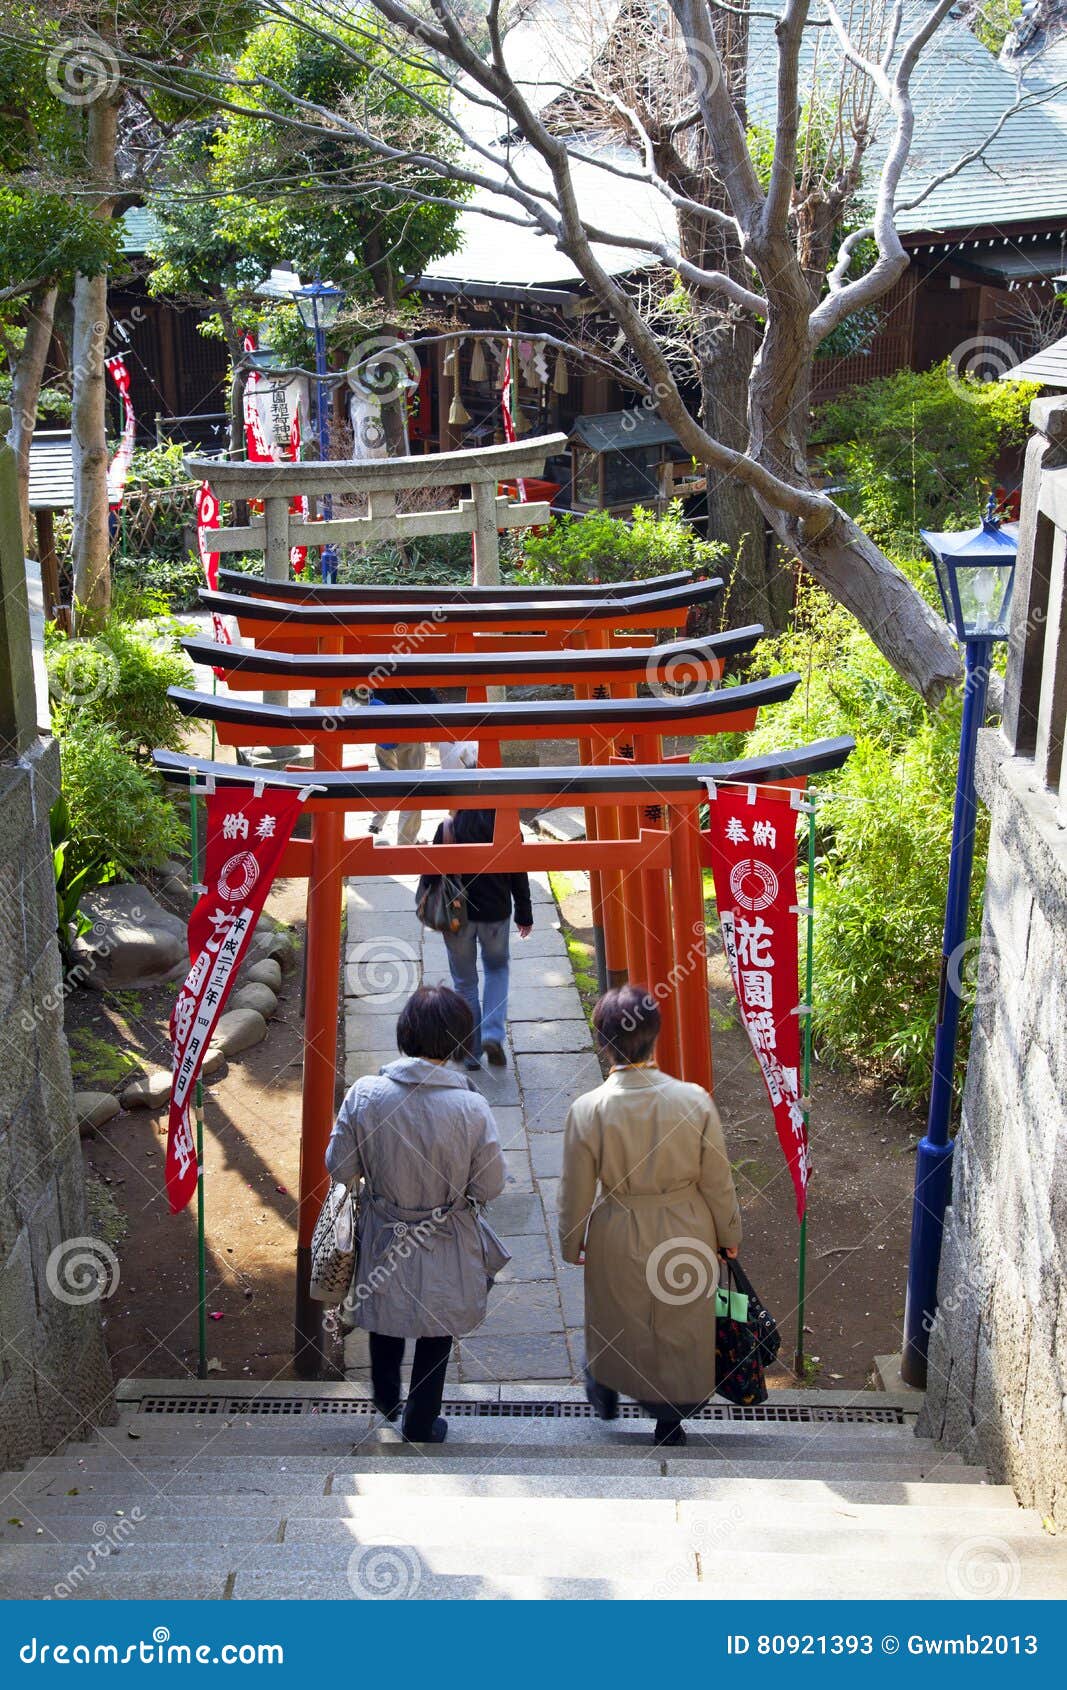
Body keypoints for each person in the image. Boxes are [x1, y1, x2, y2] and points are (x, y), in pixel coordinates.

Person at [558, 984, 742, 1447]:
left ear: (603, 1042)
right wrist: (728, 1232)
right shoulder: (694, 1101)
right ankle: (670, 1418)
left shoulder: (588, 1110)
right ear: (655, 1035)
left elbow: (576, 1188)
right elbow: (717, 1178)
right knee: (680, 1318)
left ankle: (605, 1381)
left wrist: (571, 1239)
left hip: (619, 1222)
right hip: (687, 1222)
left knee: (617, 1313)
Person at [325, 984, 505, 1443]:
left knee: (385, 1312)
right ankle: (423, 1421)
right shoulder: (472, 1107)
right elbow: (490, 1185)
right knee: (437, 1326)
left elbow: (340, 1168)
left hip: (384, 1227)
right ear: (460, 1039)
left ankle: (387, 1401)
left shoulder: (366, 1094)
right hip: (446, 1234)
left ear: (405, 1032)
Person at [431, 807, 533, 1069]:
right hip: (495, 913)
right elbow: (518, 872)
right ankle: (492, 1034)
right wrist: (524, 912)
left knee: (465, 983)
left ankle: (470, 1050)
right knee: (497, 970)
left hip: (457, 916)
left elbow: (431, 873)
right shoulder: (507, 826)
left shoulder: (448, 828)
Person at [366, 686, 441, 844]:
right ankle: (406, 842)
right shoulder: (414, 664)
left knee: (386, 778)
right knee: (412, 787)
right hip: (409, 730)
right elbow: (425, 695)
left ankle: (375, 825)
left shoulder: (380, 662)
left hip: (382, 725)